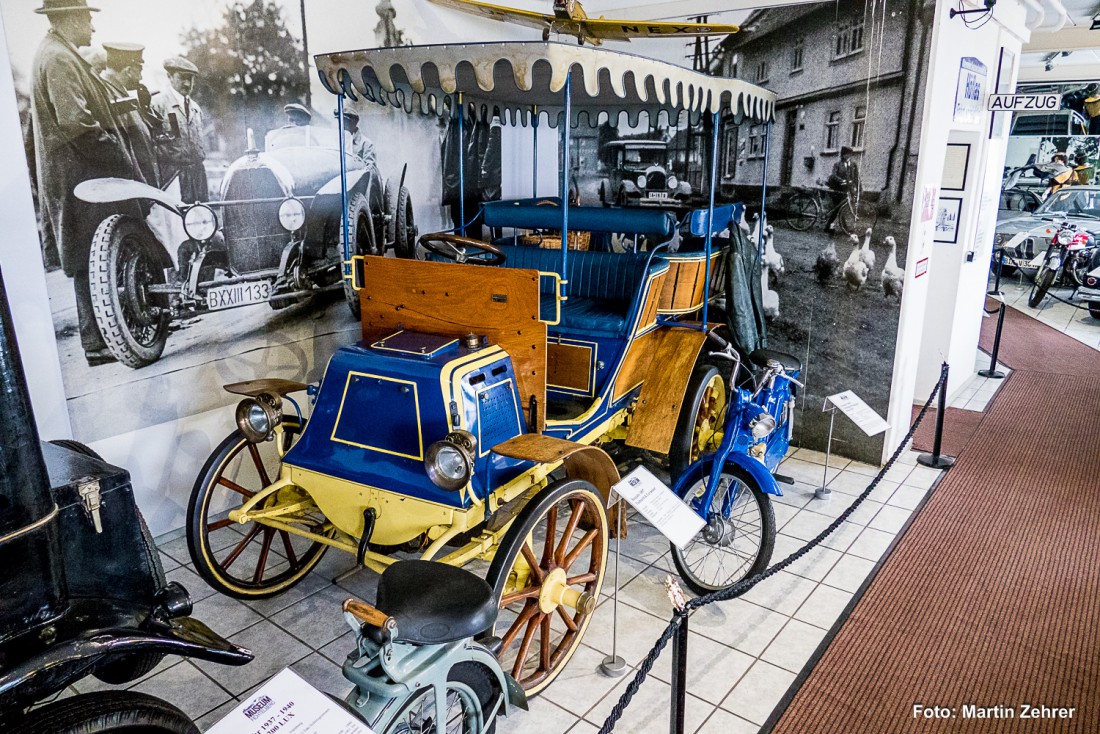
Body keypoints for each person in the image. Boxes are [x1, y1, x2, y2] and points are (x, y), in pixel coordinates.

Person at [30, 0, 141, 366]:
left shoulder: (56, 53)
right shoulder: (58, 59)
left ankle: (99, 341)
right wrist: (120, 157)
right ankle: (96, 343)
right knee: (89, 257)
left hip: (77, 176)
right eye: (88, 19)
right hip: (81, 178)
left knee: (87, 256)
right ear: (72, 17)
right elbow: (77, 124)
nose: (92, 29)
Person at [99, 42, 159, 187]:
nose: (141, 77)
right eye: (140, 69)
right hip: (130, 184)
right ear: (128, 70)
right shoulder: (106, 93)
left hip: (138, 182)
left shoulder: (119, 92)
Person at [150, 56, 207, 202]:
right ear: (170, 77)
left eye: (191, 79)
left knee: (201, 218)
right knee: (174, 219)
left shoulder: (195, 109)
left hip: (196, 175)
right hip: (171, 176)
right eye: (182, 78)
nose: (187, 83)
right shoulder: (157, 104)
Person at [825, 145, 861, 232]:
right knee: (838, 209)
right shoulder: (837, 164)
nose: (848, 156)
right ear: (843, 155)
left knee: (842, 209)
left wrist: (859, 188)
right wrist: (842, 180)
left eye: (850, 154)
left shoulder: (853, 165)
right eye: (846, 154)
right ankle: (830, 227)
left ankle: (831, 227)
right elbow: (833, 175)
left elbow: (857, 177)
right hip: (837, 190)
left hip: (847, 190)